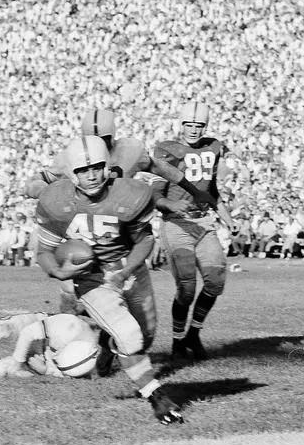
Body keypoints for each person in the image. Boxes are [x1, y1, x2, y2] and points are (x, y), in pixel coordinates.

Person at [35, 135, 183, 426]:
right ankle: (155, 396)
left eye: (96, 168)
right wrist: (58, 272)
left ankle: (107, 342)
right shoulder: (56, 200)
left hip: (128, 269)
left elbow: (144, 239)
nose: (91, 175)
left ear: (107, 167)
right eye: (82, 170)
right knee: (130, 336)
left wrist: (126, 270)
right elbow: (44, 251)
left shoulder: (130, 193)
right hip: (91, 279)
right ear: (71, 173)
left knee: (146, 335)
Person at [25, 108, 216, 315]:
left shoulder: (129, 150)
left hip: (120, 230)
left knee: (132, 308)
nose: (98, 144)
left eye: (104, 139)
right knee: (74, 298)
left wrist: (194, 191)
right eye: (92, 138)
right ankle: (69, 328)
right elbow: (37, 182)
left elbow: (160, 168)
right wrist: (42, 191)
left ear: (113, 136)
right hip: (83, 233)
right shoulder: (71, 156)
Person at [152, 101, 236, 361]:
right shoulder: (166, 149)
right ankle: (178, 340)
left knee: (216, 280)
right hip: (176, 223)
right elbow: (154, 195)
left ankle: (193, 334)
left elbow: (210, 191)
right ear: (181, 124)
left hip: (203, 221)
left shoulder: (213, 147)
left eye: (199, 125)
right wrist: (172, 204)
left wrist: (226, 216)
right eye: (189, 124)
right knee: (186, 288)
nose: (194, 130)